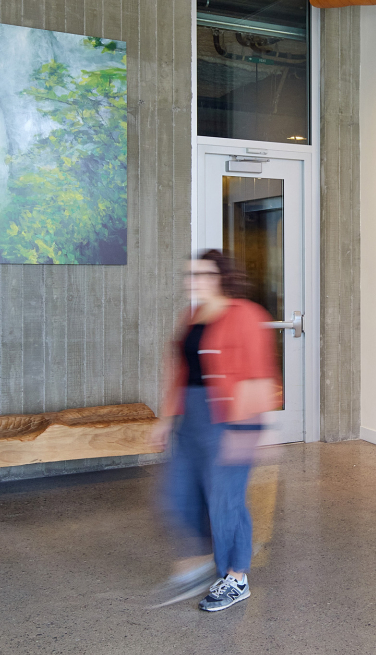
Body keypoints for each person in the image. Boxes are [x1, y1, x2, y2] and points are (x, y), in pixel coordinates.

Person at [152, 250, 279, 612]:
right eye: (192, 274)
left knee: (226, 501)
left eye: (205, 274)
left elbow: (259, 372)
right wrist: (165, 418)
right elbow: (179, 370)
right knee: (180, 496)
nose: (196, 280)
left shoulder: (246, 315)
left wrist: (248, 430)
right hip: (190, 419)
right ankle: (209, 553)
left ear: (222, 276)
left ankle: (236, 578)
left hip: (230, 417)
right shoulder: (193, 315)